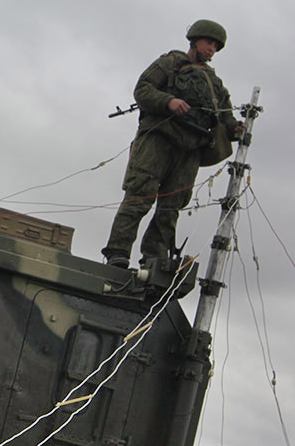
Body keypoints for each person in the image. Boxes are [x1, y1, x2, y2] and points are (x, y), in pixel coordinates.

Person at [102, 19, 240, 268]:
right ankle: (118, 252)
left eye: (216, 47)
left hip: (191, 148)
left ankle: (154, 258)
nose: (212, 49)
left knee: (171, 206)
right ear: (195, 41)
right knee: (140, 195)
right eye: (209, 42)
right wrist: (168, 101)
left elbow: (226, 115)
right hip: (159, 138)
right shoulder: (170, 63)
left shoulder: (214, 83)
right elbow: (142, 90)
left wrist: (235, 127)